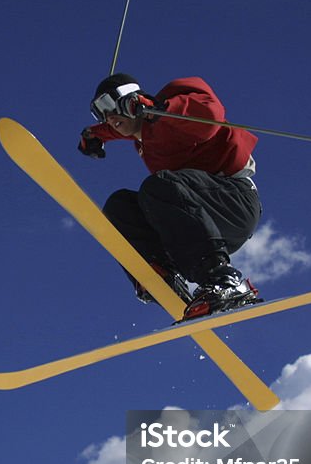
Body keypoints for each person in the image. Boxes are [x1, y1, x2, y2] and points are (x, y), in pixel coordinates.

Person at [78, 73, 262, 320]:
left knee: (158, 186)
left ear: (132, 99)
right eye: (99, 113)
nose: (108, 117)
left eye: (109, 106)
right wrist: (96, 134)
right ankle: (161, 277)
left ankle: (225, 280)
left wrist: (161, 108)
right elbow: (124, 127)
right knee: (119, 205)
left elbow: (210, 117)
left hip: (234, 201)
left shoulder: (171, 105)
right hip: (198, 217)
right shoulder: (145, 133)